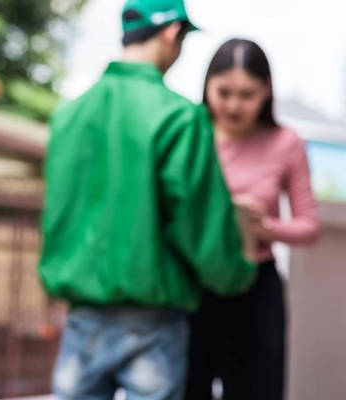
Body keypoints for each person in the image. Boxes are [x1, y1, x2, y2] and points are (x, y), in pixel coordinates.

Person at [39, 1, 258, 399]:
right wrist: (238, 273)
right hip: (151, 324)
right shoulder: (178, 117)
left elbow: (57, 216)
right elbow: (199, 225)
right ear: (172, 33)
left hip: (82, 319)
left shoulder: (69, 116)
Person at [185, 39, 321, 400]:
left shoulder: (286, 142)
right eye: (224, 92)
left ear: (267, 91)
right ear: (207, 85)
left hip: (256, 288)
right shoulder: (190, 133)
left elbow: (309, 225)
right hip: (195, 286)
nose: (233, 105)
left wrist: (266, 228)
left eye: (247, 94)